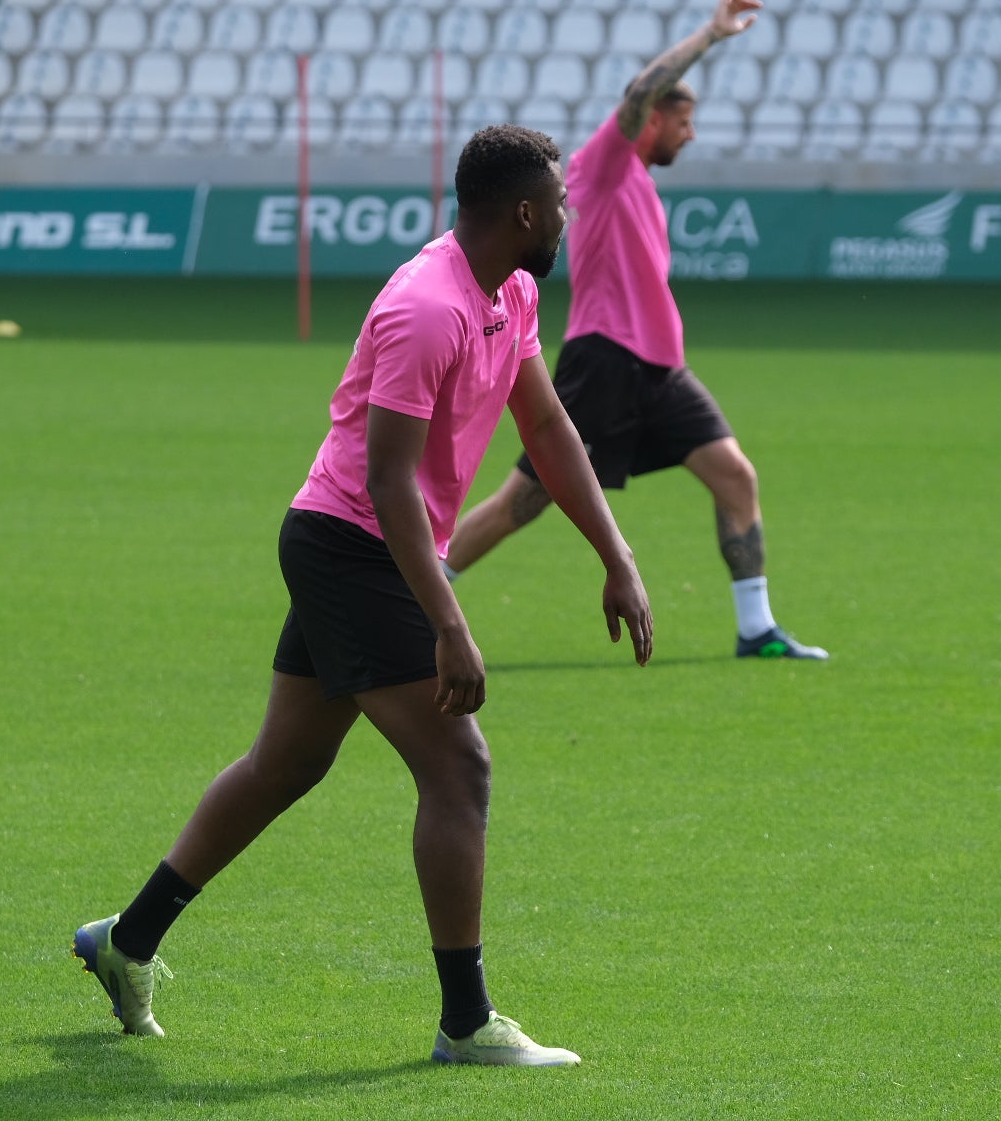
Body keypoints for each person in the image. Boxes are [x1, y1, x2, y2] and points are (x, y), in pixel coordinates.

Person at [73, 125, 654, 1068]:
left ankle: (126, 941)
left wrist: (616, 555)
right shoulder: (428, 306)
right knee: (460, 768)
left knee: (285, 765)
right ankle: (466, 1023)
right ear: (520, 212)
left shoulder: (510, 290)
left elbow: (545, 423)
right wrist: (448, 624)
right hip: (353, 546)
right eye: (556, 203)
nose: (566, 216)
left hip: (362, 545)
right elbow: (388, 486)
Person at [444, 0, 828, 662]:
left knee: (736, 476)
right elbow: (643, 90)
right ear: (653, 118)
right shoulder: (605, 164)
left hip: (660, 370)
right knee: (524, 504)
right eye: (684, 121)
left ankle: (756, 629)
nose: (691, 134)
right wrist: (710, 34)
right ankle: (419, 601)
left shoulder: (640, 183)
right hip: (605, 362)